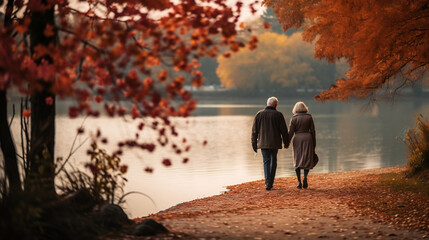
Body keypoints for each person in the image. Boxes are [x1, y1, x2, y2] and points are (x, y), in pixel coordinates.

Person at [251, 97, 289, 190]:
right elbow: (284, 130)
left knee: (266, 161)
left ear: (267, 104)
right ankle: (270, 182)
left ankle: (267, 182)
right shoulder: (278, 115)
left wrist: (254, 144)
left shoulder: (259, 114)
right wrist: (286, 142)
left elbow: (254, 131)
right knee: (273, 161)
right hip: (275, 143)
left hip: (263, 143)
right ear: (276, 105)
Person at [288, 101, 316, 189]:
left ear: (295, 109)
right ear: (304, 108)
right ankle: (305, 177)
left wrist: (287, 142)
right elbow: (313, 131)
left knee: (297, 159)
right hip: (308, 138)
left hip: (297, 139)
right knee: (307, 158)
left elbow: (291, 132)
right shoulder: (309, 117)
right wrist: (314, 142)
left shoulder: (293, 118)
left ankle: (299, 182)